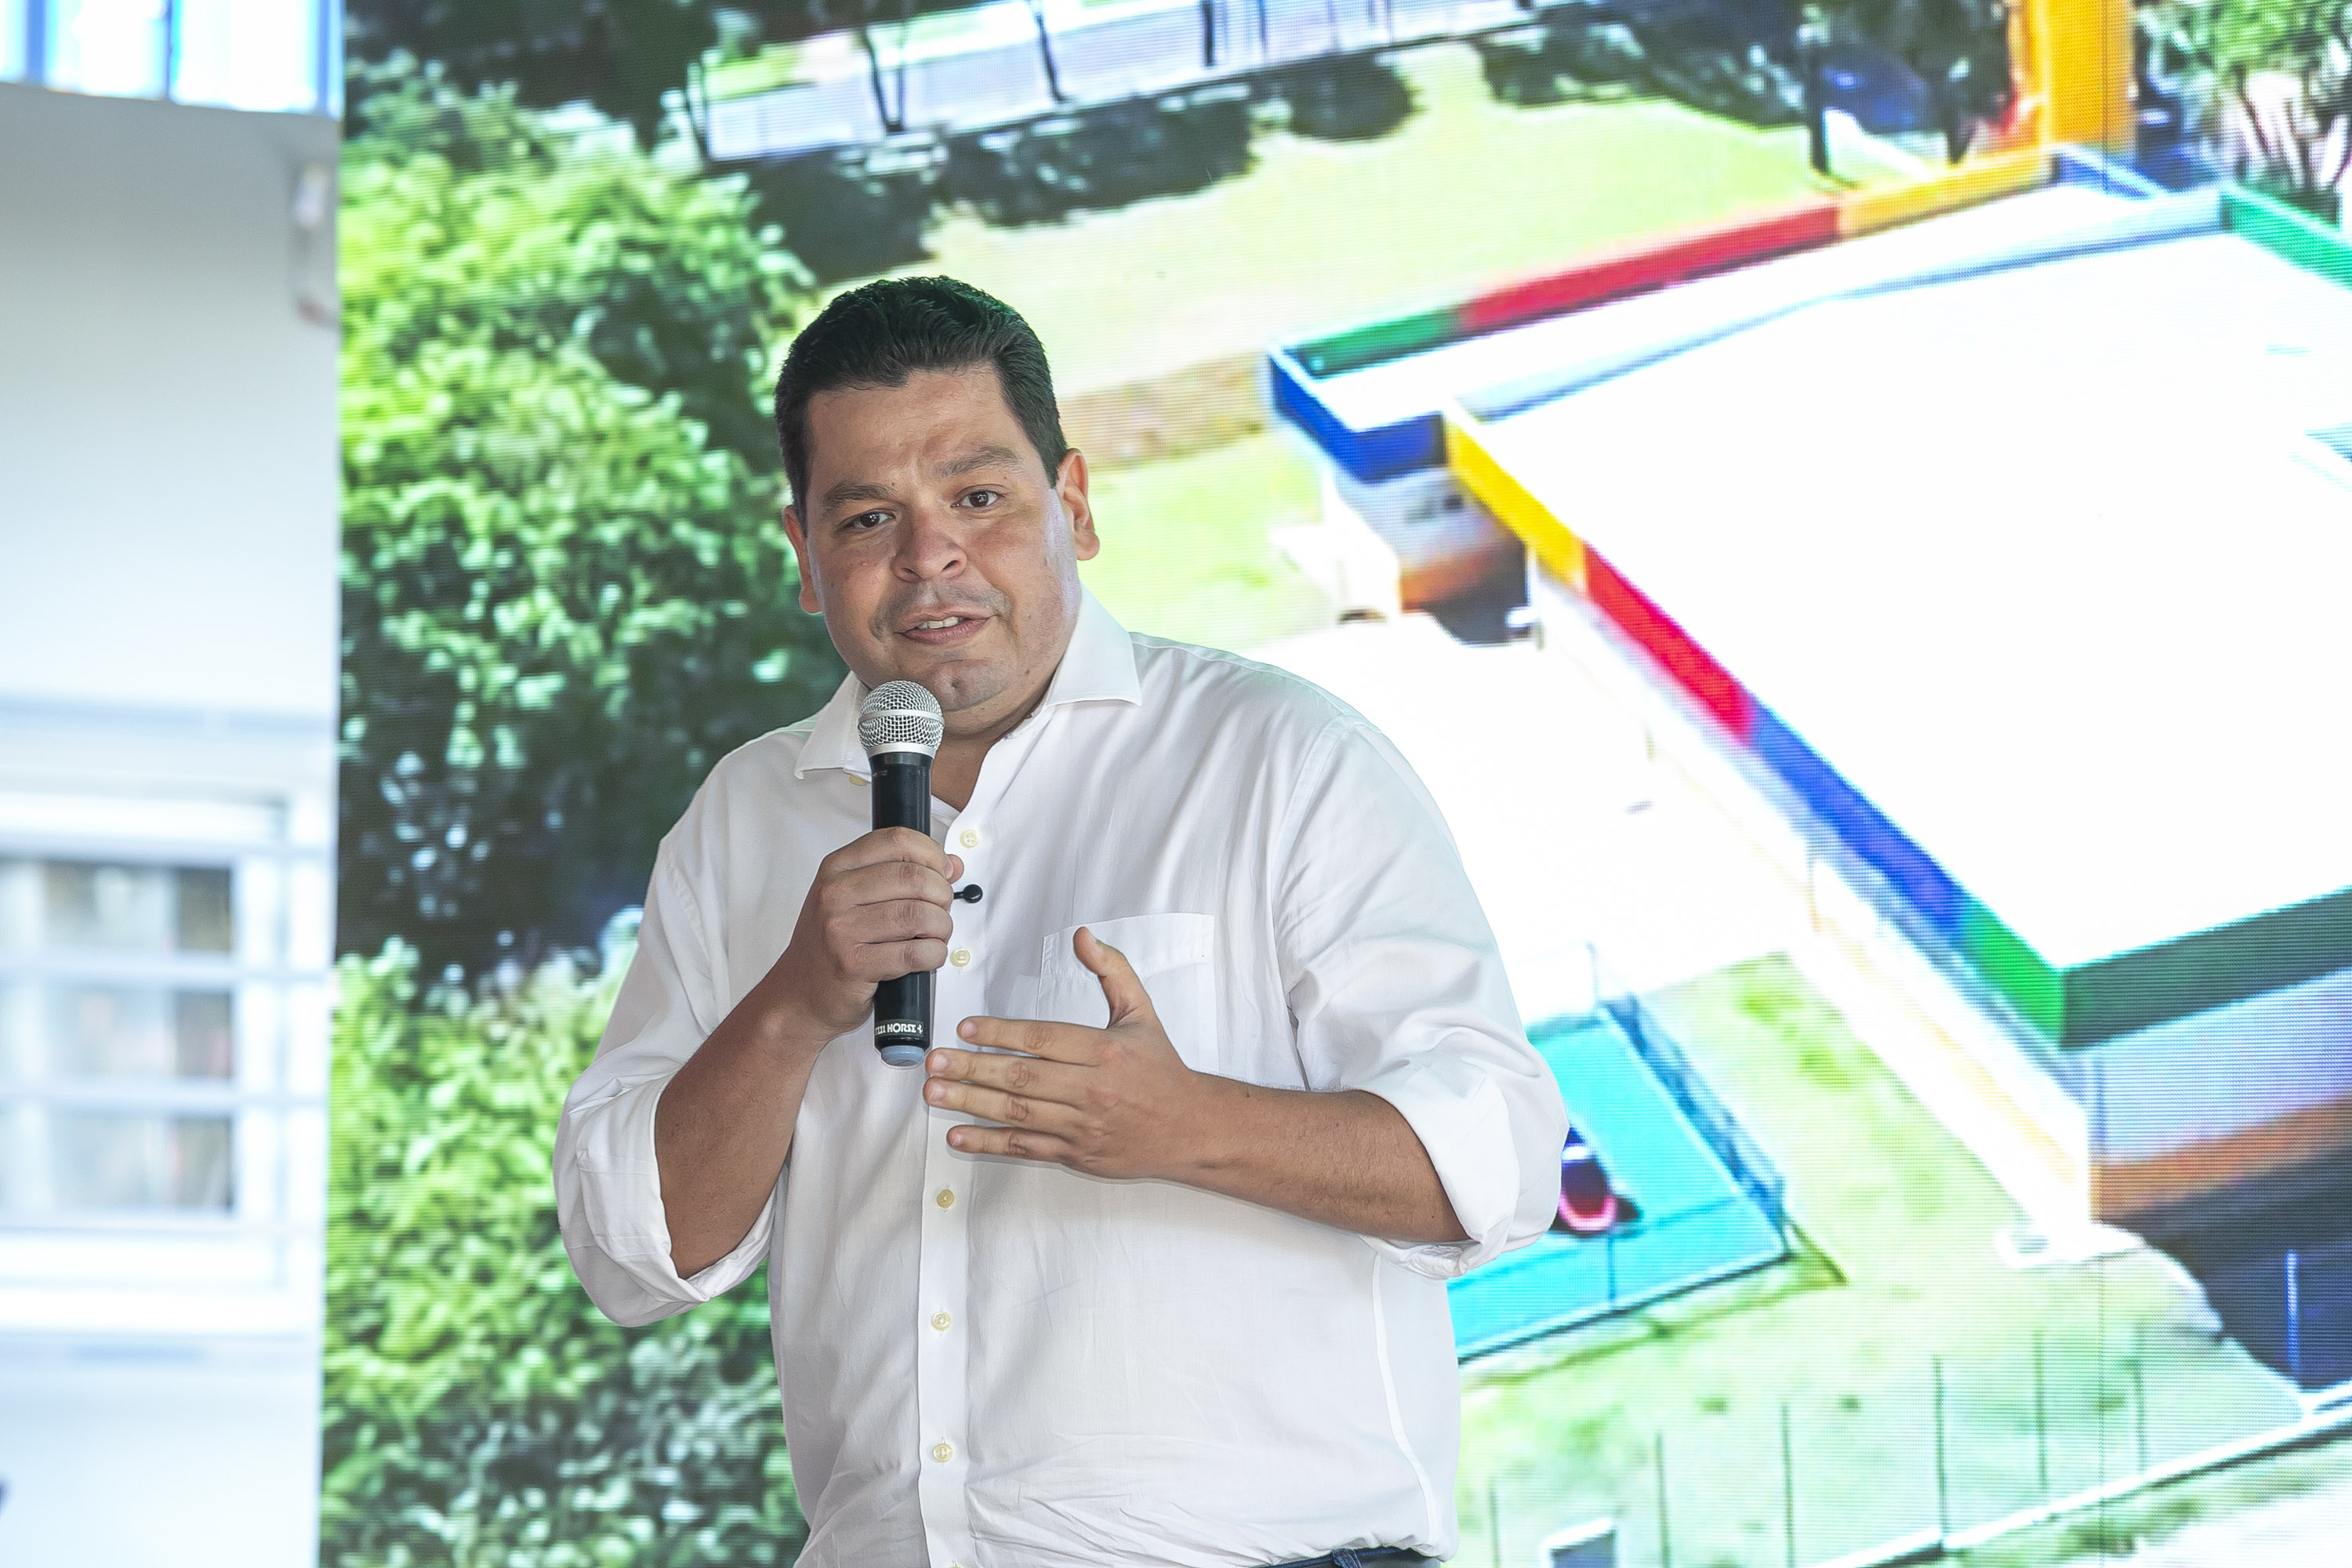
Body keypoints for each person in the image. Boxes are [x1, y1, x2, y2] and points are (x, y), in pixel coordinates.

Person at [554, 277, 1567, 1568]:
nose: (929, 557)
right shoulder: (740, 822)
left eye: (978, 496)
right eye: (868, 517)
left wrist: (1190, 1125)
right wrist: (795, 1004)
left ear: (1073, 505)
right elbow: (634, 1253)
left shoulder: (1282, 756)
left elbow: (1502, 1165)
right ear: (805, 555)